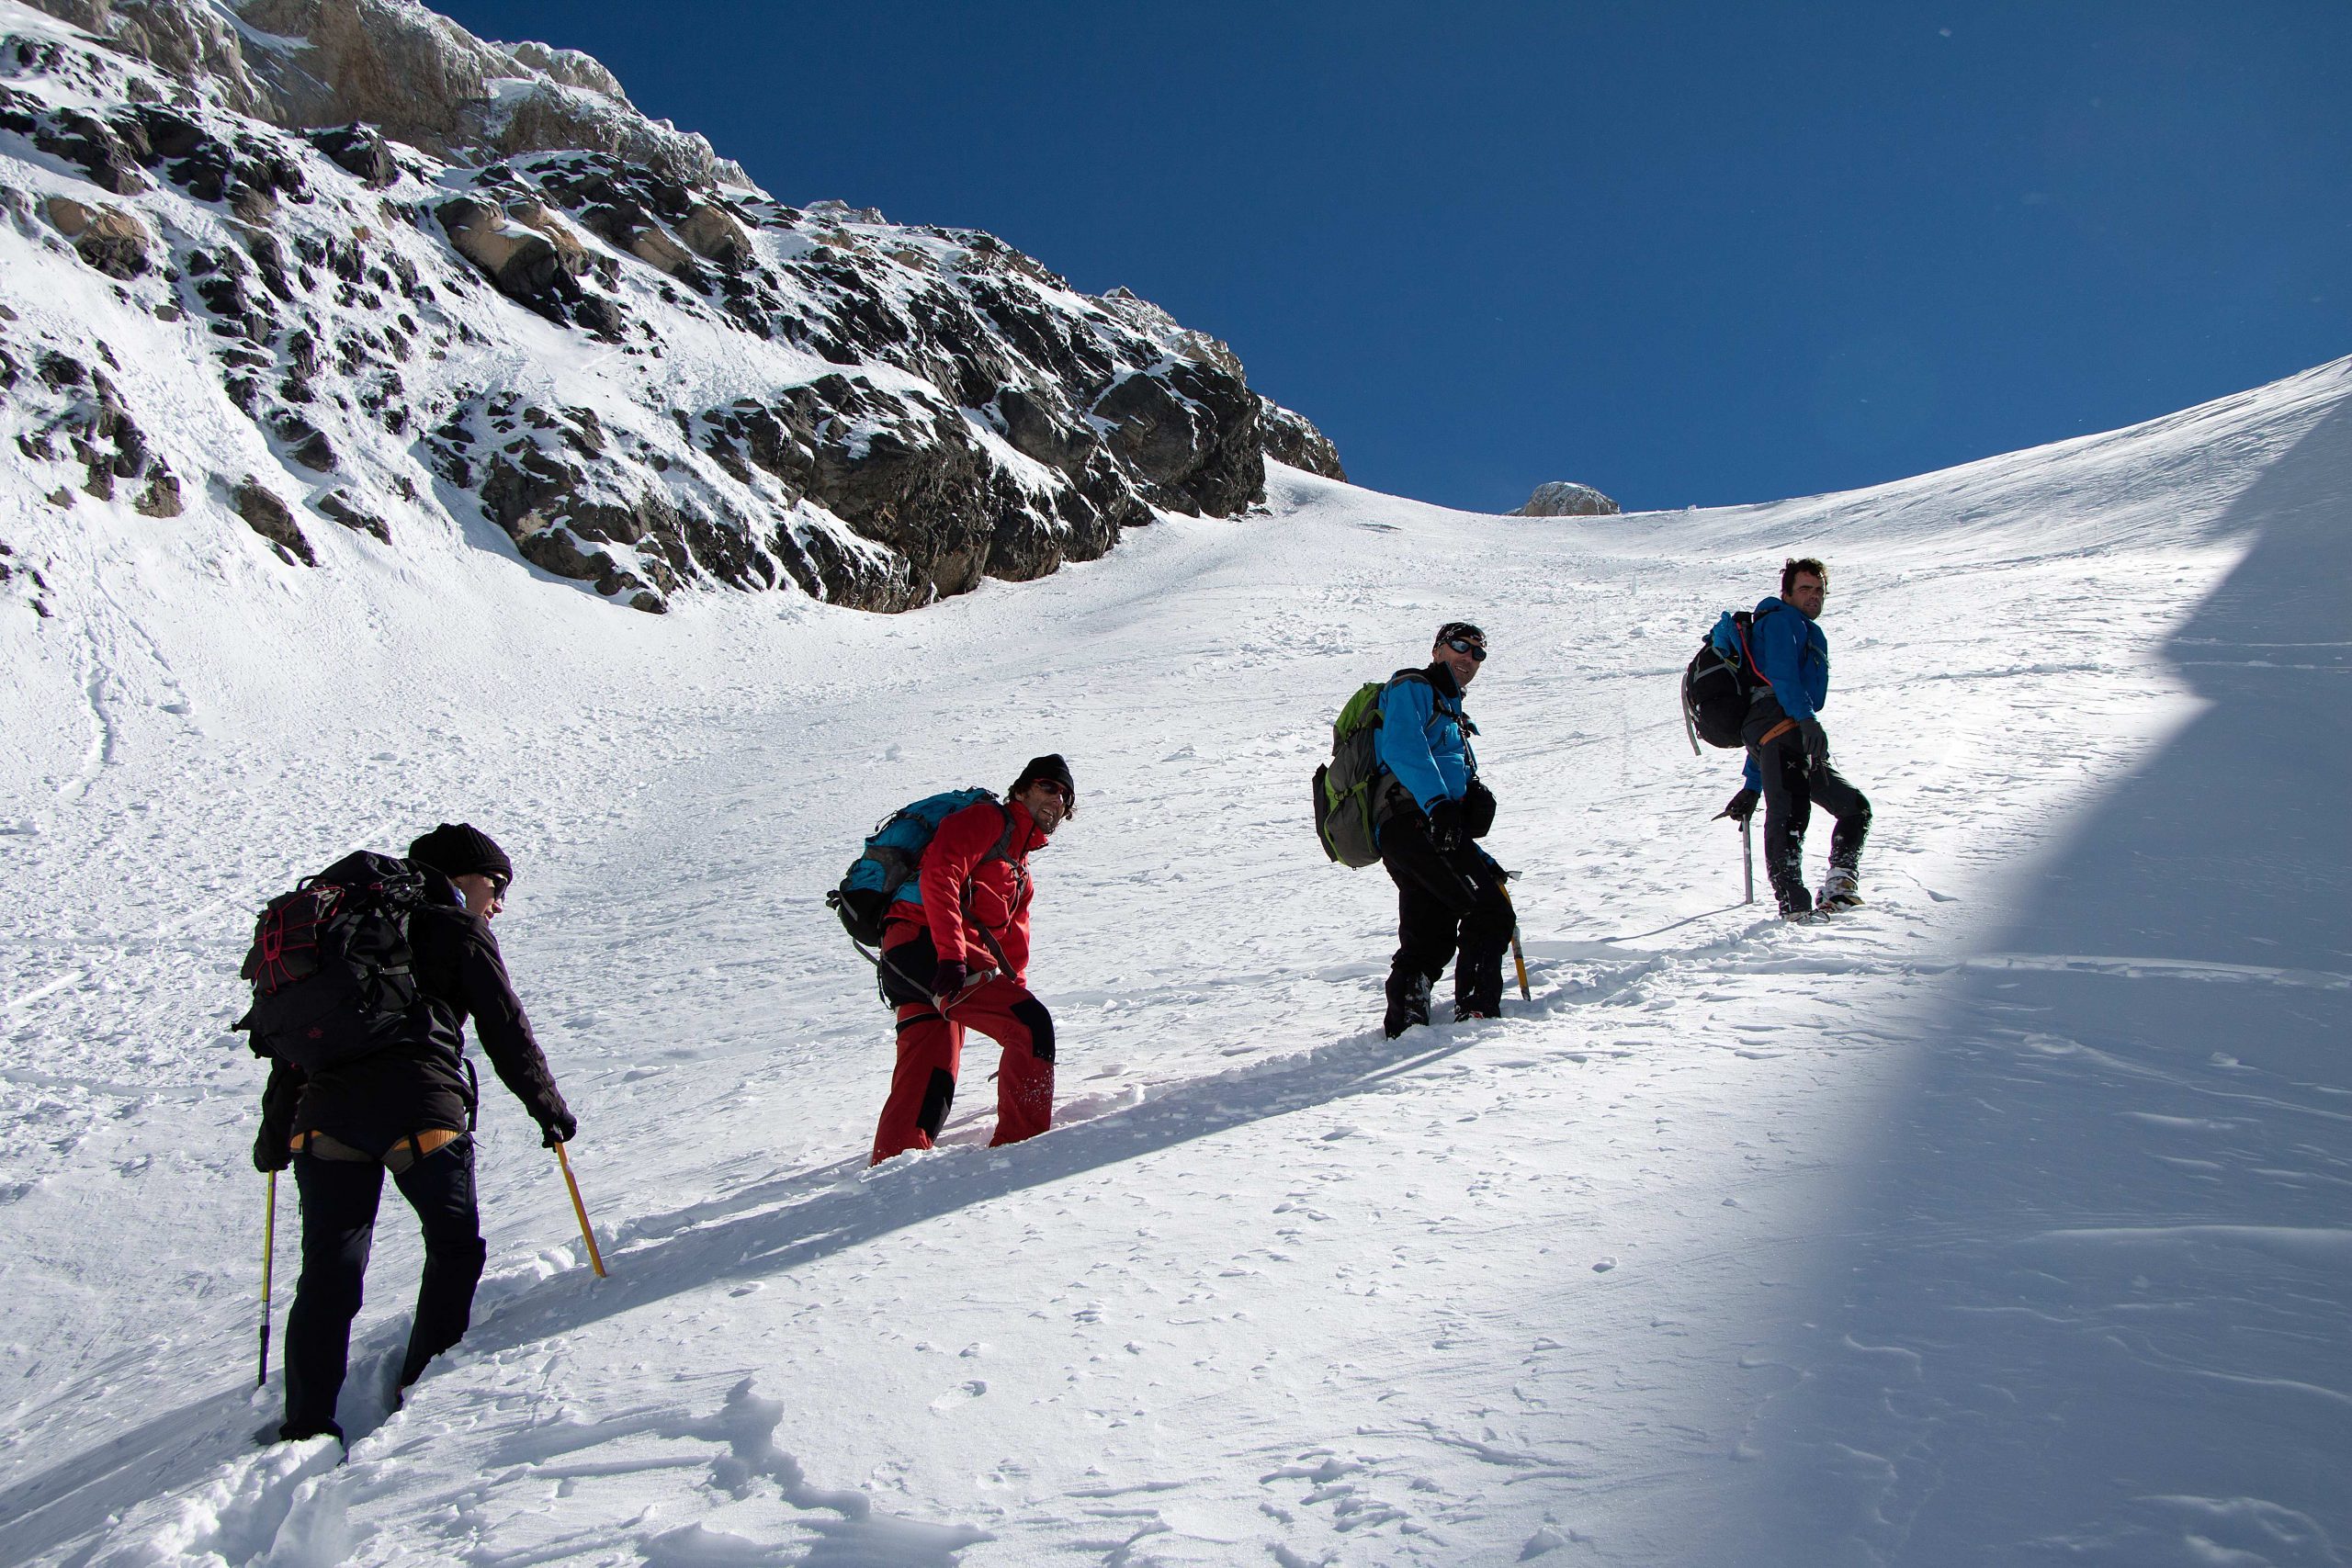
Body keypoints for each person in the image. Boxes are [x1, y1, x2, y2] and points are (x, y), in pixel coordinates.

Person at [254, 822, 576, 1444]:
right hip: (422, 1110)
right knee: (453, 1245)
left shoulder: (342, 936)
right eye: (497, 883)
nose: (500, 900)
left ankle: (308, 1421)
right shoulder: (456, 927)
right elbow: (506, 1026)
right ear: (461, 877)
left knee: (328, 1271)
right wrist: (548, 1108)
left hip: (325, 1122)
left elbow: (293, 1047)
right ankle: (426, 1381)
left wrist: (276, 1135)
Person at [870, 756, 1072, 1165]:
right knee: (1033, 1027)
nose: (1058, 799)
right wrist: (951, 957)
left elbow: (1012, 950)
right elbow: (939, 875)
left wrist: (1011, 1004)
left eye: (1066, 797)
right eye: (1049, 787)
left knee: (930, 1080)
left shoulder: (1019, 872)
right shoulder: (986, 820)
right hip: (923, 949)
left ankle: (890, 1175)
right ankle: (1023, 1153)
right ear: (1021, 790)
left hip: (927, 963)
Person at [1373, 623, 1514, 1037]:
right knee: (1490, 912)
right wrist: (1439, 806)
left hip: (1416, 827)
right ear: (1437, 650)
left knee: (1431, 932)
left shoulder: (1453, 714)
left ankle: (1405, 1027)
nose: (1468, 658)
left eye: (1477, 654)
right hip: (1415, 819)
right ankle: (1475, 1014)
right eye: (1459, 647)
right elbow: (1402, 746)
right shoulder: (1412, 687)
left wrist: (1480, 854)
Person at [1718, 558, 1872, 919]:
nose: (1814, 596)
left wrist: (1753, 786)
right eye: (1805, 588)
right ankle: (1795, 907)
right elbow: (1781, 677)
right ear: (1786, 593)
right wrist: (1806, 720)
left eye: (1819, 590)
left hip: (1784, 726)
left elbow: (1766, 711)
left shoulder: (1798, 625)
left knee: (1854, 807)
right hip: (1784, 722)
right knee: (1789, 814)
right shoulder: (1780, 621)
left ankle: (1839, 887)